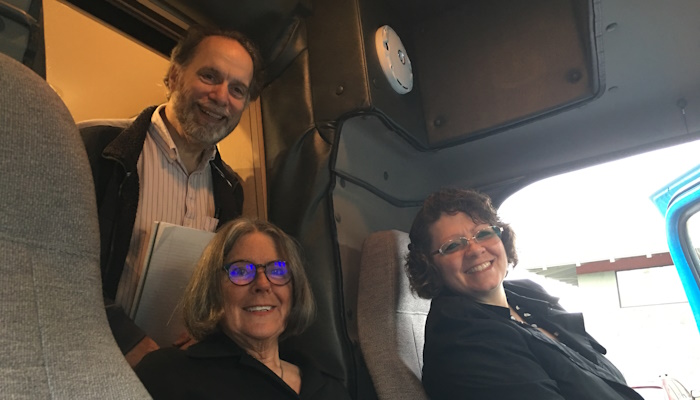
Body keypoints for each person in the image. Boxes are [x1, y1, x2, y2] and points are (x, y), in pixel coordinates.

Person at [80, 25, 263, 366]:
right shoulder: (94, 147)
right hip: (89, 355)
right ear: (173, 77)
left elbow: (217, 282)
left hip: (174, 369)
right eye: (210, 76)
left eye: (237, 89)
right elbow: (58, 265)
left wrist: (209, 328)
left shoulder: (230, 188)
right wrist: (129, 341)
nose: (222, 97)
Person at [405, 188, 643, 400]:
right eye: (453, 246)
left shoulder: (527, 295)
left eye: (483, 233)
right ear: (430, 266)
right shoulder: (463, 344)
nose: (475, 249)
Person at [133, 218, 352, 399]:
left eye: (277, 270)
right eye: (240, 271)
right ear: (213, 289)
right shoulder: (168, 374)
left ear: (295, 289)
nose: (263, 284)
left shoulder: (331, 390)